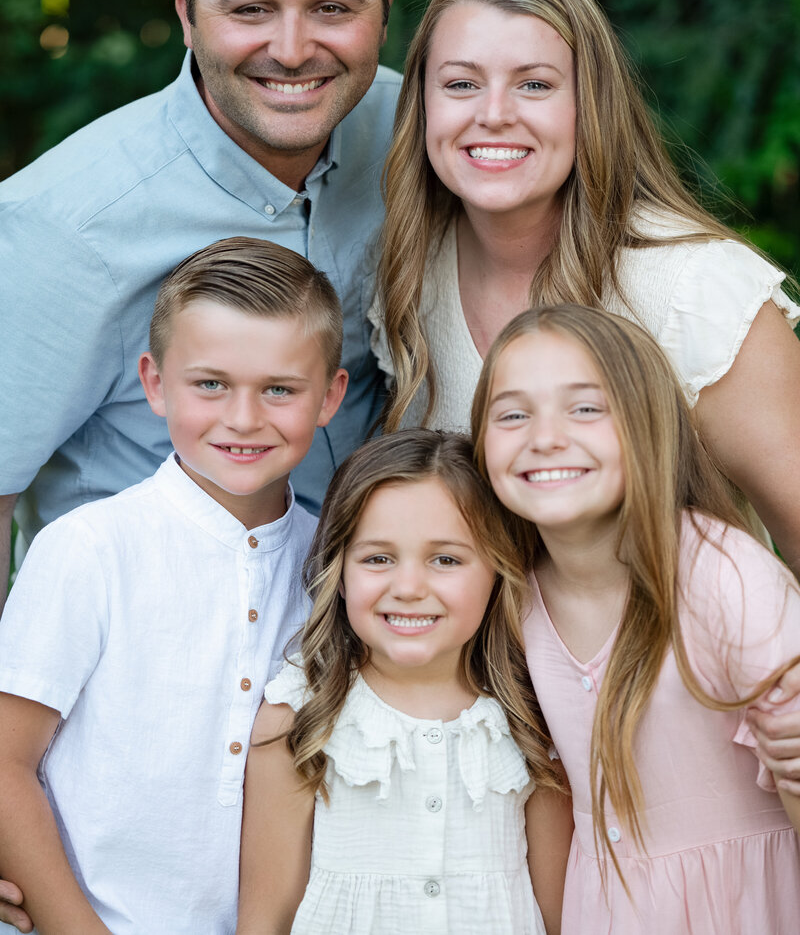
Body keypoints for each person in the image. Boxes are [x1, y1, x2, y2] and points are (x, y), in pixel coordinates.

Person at [0, 0, 401, 601]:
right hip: (143, 668)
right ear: (186, 12)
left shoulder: (423, 138)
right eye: (250, 8)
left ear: (383, 6)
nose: (291, 48)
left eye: (332, 7)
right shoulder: (61, 226)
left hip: (373, 652)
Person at [371, 0, 800, 572]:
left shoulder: (695, 292)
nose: (493, 113)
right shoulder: (407, 273)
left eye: (535, 84)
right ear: (421, 105)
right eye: (461, 84)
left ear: (589, 105)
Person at [0, 237, 348, 934]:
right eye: (210, 384)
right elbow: (7, 759)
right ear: (155, 383)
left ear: (331, 396)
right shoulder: (89, 548)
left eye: (280, 388)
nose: (244, 417)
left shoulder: (337, 566)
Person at [472, 303, 800, 933]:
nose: (544, 437)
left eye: (586, 408)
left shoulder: (721, 575)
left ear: (646, 425)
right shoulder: (511, 593)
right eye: (512, 414)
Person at [236, 429, 574, 935]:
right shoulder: (299, 713)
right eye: (378, 558)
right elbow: (266, 917)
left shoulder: (534, 714)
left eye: (446, 559)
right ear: (340, 570)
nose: (410, 587)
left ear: (498, 570)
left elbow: (558, 916)